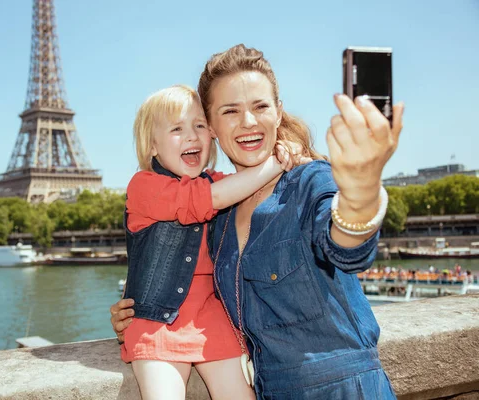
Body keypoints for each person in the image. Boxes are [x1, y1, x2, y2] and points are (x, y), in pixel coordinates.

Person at [112, 44, 404, 399]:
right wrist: (139, 306)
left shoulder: (309, 180)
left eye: (261, 106)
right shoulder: (220, 216)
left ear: (278, 113)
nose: (248, 122)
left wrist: (361, 192)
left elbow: (345, 249)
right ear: (214, 127)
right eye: (230, 111)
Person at [121, 84, 307, 400]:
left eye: (200, 126)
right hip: (156, 324)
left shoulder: (223, 183)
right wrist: (275, 163)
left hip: (213, 321)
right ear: (151, 145)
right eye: (177, 129)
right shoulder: (144, 186)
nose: (192, 136)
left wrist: (290, 150)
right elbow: (208, 200)